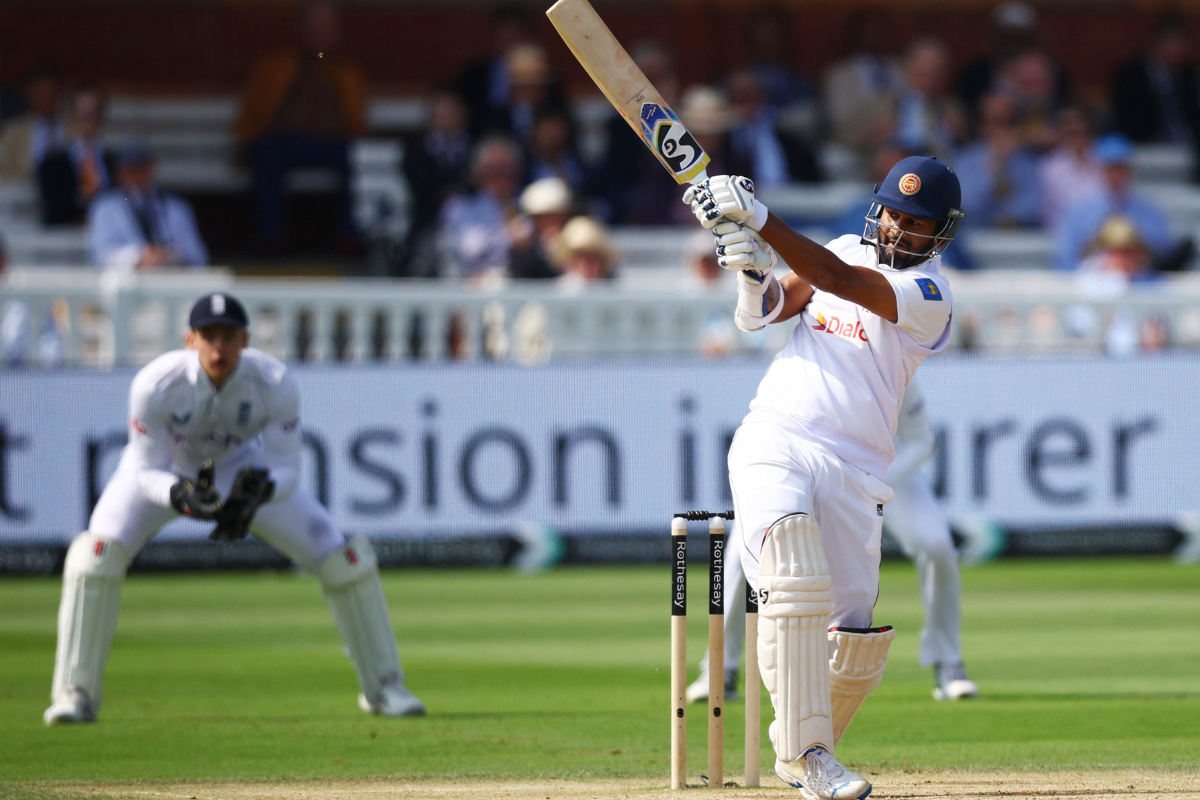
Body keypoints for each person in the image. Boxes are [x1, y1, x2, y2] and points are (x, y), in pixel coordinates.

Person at [682, 155, 962, 799]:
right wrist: (753, 278)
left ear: (940, 232)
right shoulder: (838, 246)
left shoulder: (932, 295)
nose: (897, 228)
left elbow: (836, 277)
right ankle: (811, 758)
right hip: (775, 436)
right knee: (791, 574)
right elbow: (767, 312)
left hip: (857, 467)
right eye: (893, 211)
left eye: (915, 222)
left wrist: (758, 218)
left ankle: (797, 747)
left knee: (855, 644)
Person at [43, 293, 425, 725]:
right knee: (95, 557)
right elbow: (145, 469)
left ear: (245, 339)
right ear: (191, 340)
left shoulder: (274, 381)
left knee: (344, 557)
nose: (218, 347)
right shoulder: (156, 383)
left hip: (240, 471)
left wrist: (259, 492)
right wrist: (179, 495)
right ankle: (75, 693)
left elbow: (288, 471)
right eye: (209, 336)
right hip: (164, 474)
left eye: (228, 337)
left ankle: (386, 687)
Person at [686, 380, 979, 706]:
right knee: (744, 545)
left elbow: (921, 440)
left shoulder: (893, 365)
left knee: (936, 545)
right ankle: (719, 667)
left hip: (883, 472)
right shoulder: (808, 365)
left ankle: (948, 660)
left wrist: (873, 486)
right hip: (804, 464)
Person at [236, 1, 367, 251]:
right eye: (314, 27)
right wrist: (247, 140)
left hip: (332, 145)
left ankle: (349, 239)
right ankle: (270, 239)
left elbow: (357, 120)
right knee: (266, 154)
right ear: (301, 30)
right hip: (284, 143)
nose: (321, 34)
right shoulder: (277, 66)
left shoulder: (347, 71)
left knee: (360, 158)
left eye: (327, 27)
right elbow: (253, 112)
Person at [1056, 134, 1177, 272]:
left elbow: (1166, 260)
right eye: (1110, 168)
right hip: (1092, 288)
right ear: (1099, 169)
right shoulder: (1078, 213)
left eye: (1120, 168)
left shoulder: (1151, 213)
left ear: (1131, 170)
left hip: (1142, 288)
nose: (1115, 174)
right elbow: (1065, 263)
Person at [88, 140, 208, 271]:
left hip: (170, 280)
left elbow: (198, 256)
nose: (137, 176)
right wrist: (139, 256)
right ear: (119, 173)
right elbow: (100, 255)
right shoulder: (104, 208)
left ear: (152, 169)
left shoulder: (176, 207)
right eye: (131, 170)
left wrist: (168, 255)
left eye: (142, 168)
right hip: (127, 285)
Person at [953, 92, 1042, 230]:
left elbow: (1033, 207)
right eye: (996, 122)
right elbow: (966, 207)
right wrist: (994, 166)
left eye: (1008, 123)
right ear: (981, 125)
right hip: (974, 239)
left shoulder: (1027, 161)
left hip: (1019, 240)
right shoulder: (965, 160)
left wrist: (1008, 217)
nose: (1002, 130)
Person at [37, 86, 115, 225]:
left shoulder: (115, 162)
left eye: (95, 114)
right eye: (85, 115)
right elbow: (53, 210)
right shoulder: (51, 165)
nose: (91, 120)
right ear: (71, 117)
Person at [0, 69, 65, 182]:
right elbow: (4, 169)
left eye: (50, 91)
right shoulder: (13, 131)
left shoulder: (74, 125)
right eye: (40, 92)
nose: (47, 97)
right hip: (25, 191)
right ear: (30, 96)